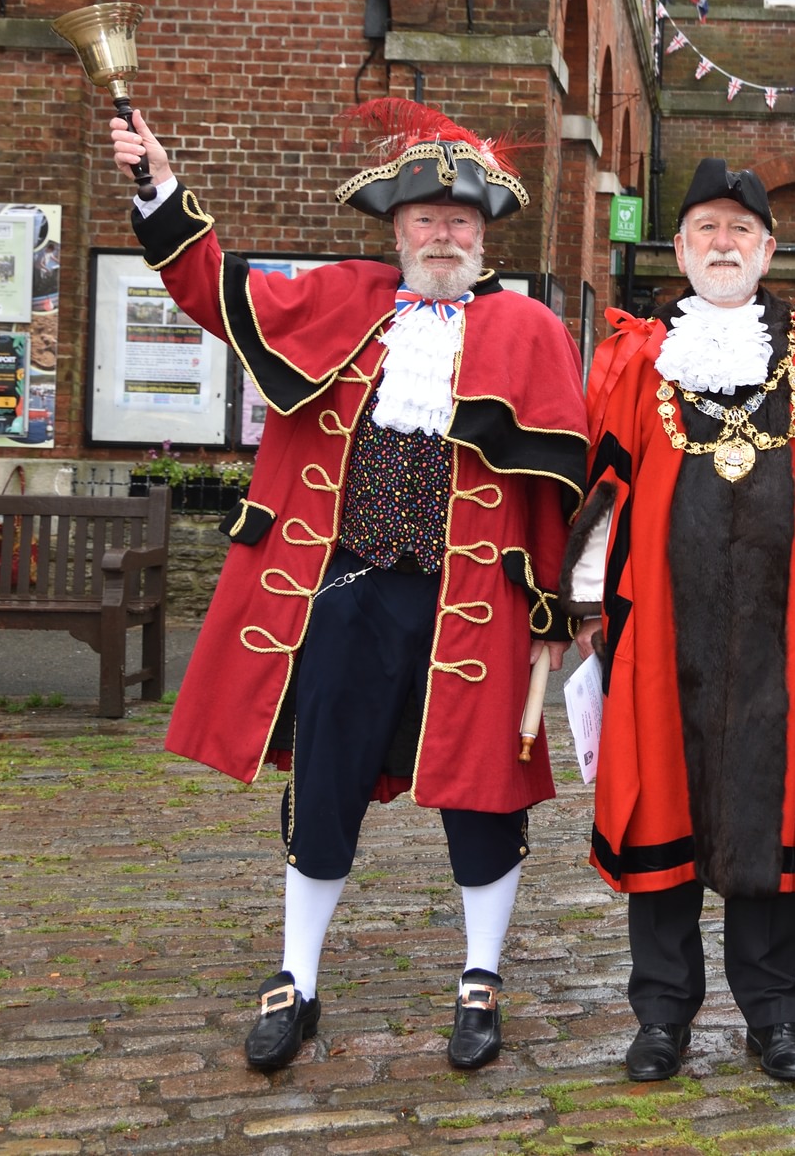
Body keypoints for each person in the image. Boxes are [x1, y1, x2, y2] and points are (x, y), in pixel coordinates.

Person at [108, 101, 588, 1073]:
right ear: (395, 228)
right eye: (422, 219)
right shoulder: (339, 298)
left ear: (484, 231)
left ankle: (479, 978)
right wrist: (157, 185)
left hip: (477, 607)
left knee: (485, 793)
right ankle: (297, 978)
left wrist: (551, 614)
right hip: (346, 591)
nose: (441, 234)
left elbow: (554, 493)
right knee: (321, 785)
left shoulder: (530, 329)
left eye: (459, 221)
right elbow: (208, 288)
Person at [564, 157, 795, 1085]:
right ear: (680, 250)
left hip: (780, 631)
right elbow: (607, 485)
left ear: (768, 250)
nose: (724, 245)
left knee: (773, 818)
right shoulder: (639, 354)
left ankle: (772, 1014)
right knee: (659, 820)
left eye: (740, 232)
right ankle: (662, 1016)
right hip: (657, 631)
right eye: (706, 230)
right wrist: (596, 605)